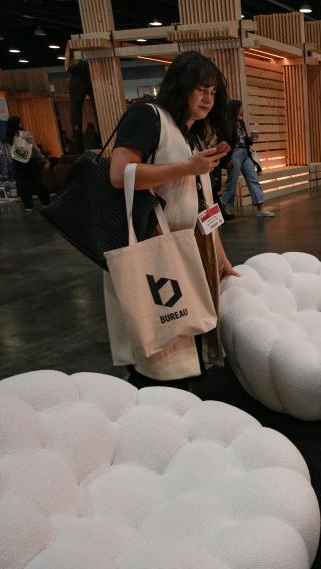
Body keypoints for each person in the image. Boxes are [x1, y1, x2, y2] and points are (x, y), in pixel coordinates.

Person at [107, 50, 238, 385]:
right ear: (181, 86)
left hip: (187, 248)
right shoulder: (148, 116)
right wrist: (188, 167)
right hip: (155, 248)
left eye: (213, 92)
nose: (208, 99)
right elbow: (120, 175)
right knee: (160, 345)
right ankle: (152, 401)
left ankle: (176, 398)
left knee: (183, 339)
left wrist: (220, 256)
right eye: (201, 90)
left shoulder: (189, 132)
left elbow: (202, 202)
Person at [220, 100, 273, 218]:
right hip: (234, 153)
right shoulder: (227, 124)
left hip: (245, 153)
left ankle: (261, 208)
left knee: (253, 179)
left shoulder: (241, 122)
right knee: (232, 182)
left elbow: (243, 139)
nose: (243, 109)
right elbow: (226, 141)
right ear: (236, 109)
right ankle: (222, 208)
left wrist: (250, 139)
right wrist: (227, 158)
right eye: (241, 107)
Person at [5, 116, 51, 211]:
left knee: (23, 185)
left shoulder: (8, 136)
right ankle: (46, 201)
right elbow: (35, 148)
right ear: (18, 124)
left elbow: (10, 151)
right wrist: (42, 158)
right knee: (37, 183)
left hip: (17, 163)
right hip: (29, 161)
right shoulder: (26, 134)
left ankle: (28, 206)